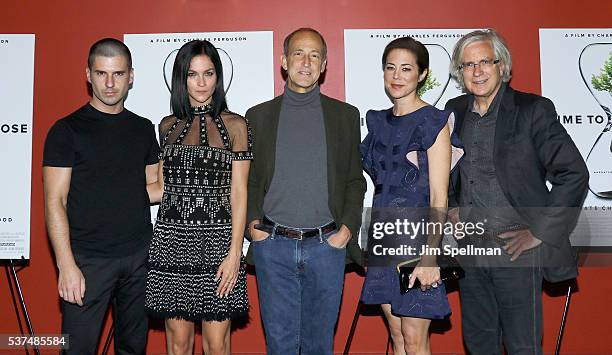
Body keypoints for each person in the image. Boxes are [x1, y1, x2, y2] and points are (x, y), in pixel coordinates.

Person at [445, 29, 589, 354]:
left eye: (485, 62)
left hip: (517, 252)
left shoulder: (532, 110)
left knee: (523, 346)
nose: (477, 71)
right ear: (460, 72)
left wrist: (540, 230)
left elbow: (574, 172)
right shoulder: (454, 111)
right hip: (470, 250)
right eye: (468, 65)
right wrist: (453, 206)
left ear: (502, 65)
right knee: (479, 344)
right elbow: (445, 170)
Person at [245, 28, 366, 355]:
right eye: (299, 53)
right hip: (273, 247)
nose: (306, 62)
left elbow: (356, 180)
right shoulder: (258, 116)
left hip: (327, 247)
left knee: (319, 346)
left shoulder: (345, 116)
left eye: (315, 55)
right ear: (284, 61)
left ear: (324, 64)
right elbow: (251, 179)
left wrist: (346, 231)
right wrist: (252, 226)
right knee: (280, 346)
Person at [43, 38, 159, 354]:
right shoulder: (66, 130)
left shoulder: (143, 128)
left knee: (133, 348)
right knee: (77, 349)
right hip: (87, 261)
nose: (109, 84)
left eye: (118, 74)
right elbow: (55, 200)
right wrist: (66, 264)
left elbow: (155, 187)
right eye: (101, 74)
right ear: (88, 74)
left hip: (138, 258)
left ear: (131, 76)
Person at [144, 39, 251, 355]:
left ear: (218, 77)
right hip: (171, 243)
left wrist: (234, 254)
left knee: (217, 345)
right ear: (181, 78)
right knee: (178, 343)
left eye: (208, 73)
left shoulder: (235, 125)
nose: (201, 82)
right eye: (193, 74)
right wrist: (112, 192)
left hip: (218, 244)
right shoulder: (167, 126)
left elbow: (239, 193)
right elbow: (162, 188)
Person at [359, 37, 464, 355]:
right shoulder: (377, 122)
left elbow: (438, 195)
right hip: (384, 239)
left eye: (406, 68)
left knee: (415, 339)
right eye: (390, 68)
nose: (397, 75)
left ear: (422, 74)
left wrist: (431, 256)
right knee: (398, 336)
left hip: (419, 242)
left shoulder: (434, 123)